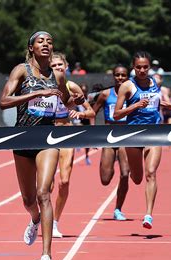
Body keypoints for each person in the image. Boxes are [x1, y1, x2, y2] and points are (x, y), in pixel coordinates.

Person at [0, 31, 84, 260]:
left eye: (49, 42)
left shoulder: (57, 75)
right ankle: (35, 218)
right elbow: (4, 101)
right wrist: (36, 93)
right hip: (22, 138)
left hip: (48, 138)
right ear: (31, 47)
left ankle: (46, 254)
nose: (46, 44)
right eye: (41, 41)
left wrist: (75, 103)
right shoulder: (21, 71)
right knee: (28, 200)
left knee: (43, 192)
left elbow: (63, 105)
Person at [113, 51, 171, 229]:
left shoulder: (155, 82)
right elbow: (117, 114)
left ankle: (148, 214)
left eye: (145, 67)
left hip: (154, 132)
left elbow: (154, 103)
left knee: (151, 172)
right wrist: (134, 105)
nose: (142, 70)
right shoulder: (127, 86)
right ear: (133, 68)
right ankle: (136, 177)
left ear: (149, 67)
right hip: (134, 134)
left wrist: (168, 105)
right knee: (137, 178)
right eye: (138, 67)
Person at [49, 52, 95, 238]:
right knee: (46, 185)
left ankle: (54, 222)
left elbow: (91, 112)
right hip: (46, 135)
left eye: (60, 65)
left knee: (64, 181)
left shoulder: (72, 87)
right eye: (54, 65)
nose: (58, 68)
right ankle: (41, 218)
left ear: (66, 67)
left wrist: (80, 114)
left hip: (67, 135)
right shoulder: (41, 86)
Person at [92, 64, 131, 221]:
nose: (120, 78)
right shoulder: (105, 94)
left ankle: (118, 209)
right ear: (113, 76)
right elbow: (92, 113)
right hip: (109, 137)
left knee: (125, 173)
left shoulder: (132, 94)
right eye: (117, 75)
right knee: (105, 179)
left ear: (127, 76)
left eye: (123, 75)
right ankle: (106, 164)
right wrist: (93, 132)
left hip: (126, 137)